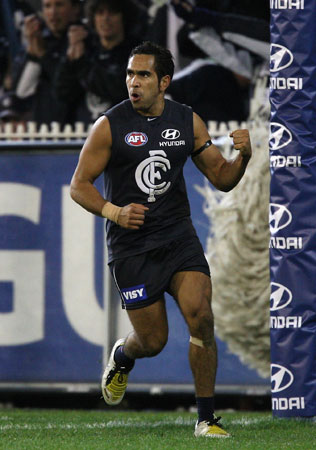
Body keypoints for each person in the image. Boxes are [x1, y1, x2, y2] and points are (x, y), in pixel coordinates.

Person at [70, 41, 252, 438]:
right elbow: (79, 186)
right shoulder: (109, 125)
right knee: (152, 341)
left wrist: (243, 159)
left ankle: (206, 418)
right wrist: (114, 211)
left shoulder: (187, 121)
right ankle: (122, 356)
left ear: (164, 81)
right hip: (132, 246)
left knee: (201, 314)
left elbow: (221, 179)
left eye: (143, 75)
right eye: (130, 74)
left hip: (177, 236)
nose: (133, 83)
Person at [55, 0, 145, 123]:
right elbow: (61, 93)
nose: (105, 19)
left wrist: (81, 63)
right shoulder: (87, 49)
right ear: (93, 18)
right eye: (100, 13)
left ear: (124, 17)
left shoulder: (137, 53)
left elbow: (118, 89)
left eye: (112, 13)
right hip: (83, 133)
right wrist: (70, 61)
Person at [12, 0, 82, 125]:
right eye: (48, 6)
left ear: (75, 9)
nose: (53, 13)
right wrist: (32, 54)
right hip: (43, 130)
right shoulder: (39, 41)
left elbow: (68, 89)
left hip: (77, 128)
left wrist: (44, 57)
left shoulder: (83, 42)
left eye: (59, 5)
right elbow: (20, 94)